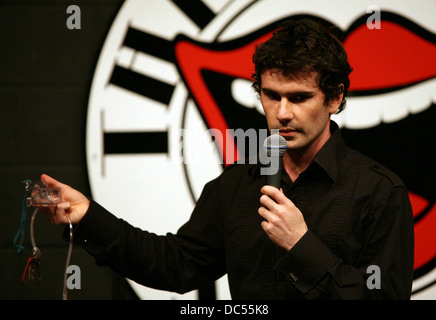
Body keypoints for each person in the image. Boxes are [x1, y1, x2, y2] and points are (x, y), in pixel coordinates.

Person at [38, 19, 414, 299]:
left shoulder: (379, 192)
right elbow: (175, 266)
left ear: (334, 99)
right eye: (271, 95)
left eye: (299, 97)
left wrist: (302, 246)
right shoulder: (235, 187)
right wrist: (88, 216)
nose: (282, 113)